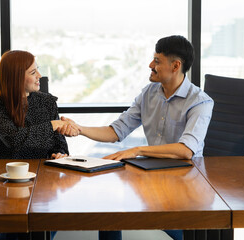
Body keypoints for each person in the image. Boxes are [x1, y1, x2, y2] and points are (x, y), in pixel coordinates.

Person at [60, 35, 214, 240]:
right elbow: (117, 131)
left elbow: (186, 150)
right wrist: (80, 129)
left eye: (157, 61)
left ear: (176, 66)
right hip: (152, 176)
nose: (151, 65)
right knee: (109, 208)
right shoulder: (149, 93)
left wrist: (137, 150)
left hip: (186, 183)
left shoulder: (200, 102)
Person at [0, 50, 79, 240]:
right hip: (9, 181)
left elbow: (59, 144)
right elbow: (14, 140)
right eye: (33, 72)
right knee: (21, 228)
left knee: (43, 223)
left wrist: (60, 153)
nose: (39, 77)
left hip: (43, 179)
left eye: (38, 70)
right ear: (17, 77)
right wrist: (51, 125)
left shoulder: (47, 102)